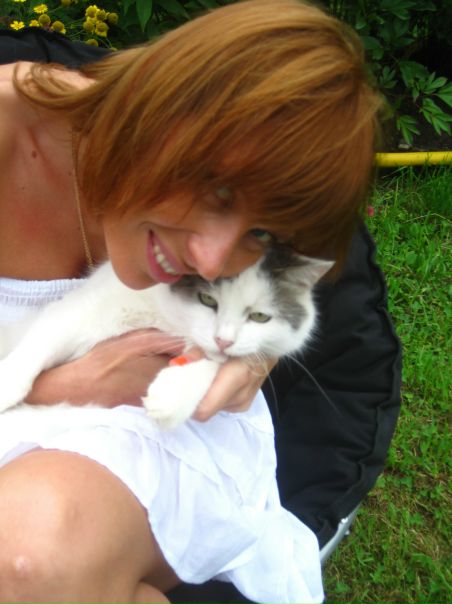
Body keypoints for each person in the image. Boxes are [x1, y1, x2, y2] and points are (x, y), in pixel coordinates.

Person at [0, 1, 401, 603]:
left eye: (259, 233)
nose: (211, 262)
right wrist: (61, 386)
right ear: (161, 106)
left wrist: (254, 356)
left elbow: (284, 298)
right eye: (217, 192)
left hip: (171, 436)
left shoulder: (224, 258)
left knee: (28, 555)